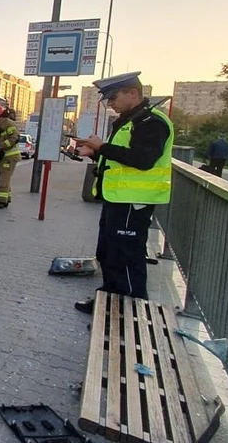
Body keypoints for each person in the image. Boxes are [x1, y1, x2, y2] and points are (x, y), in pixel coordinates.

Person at [72, 72, 174, 313]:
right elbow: (122, 159)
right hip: (118, 199)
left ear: (133, 93)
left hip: (133, 201)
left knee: (126, 257)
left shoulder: (151, 123)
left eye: (114, 97)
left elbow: (143, 159)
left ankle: (130, 312)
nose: (111, 104)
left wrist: (102, 146)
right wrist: (95, 153)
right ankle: (109, 302)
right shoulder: (132, 120)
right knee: (109, 252)